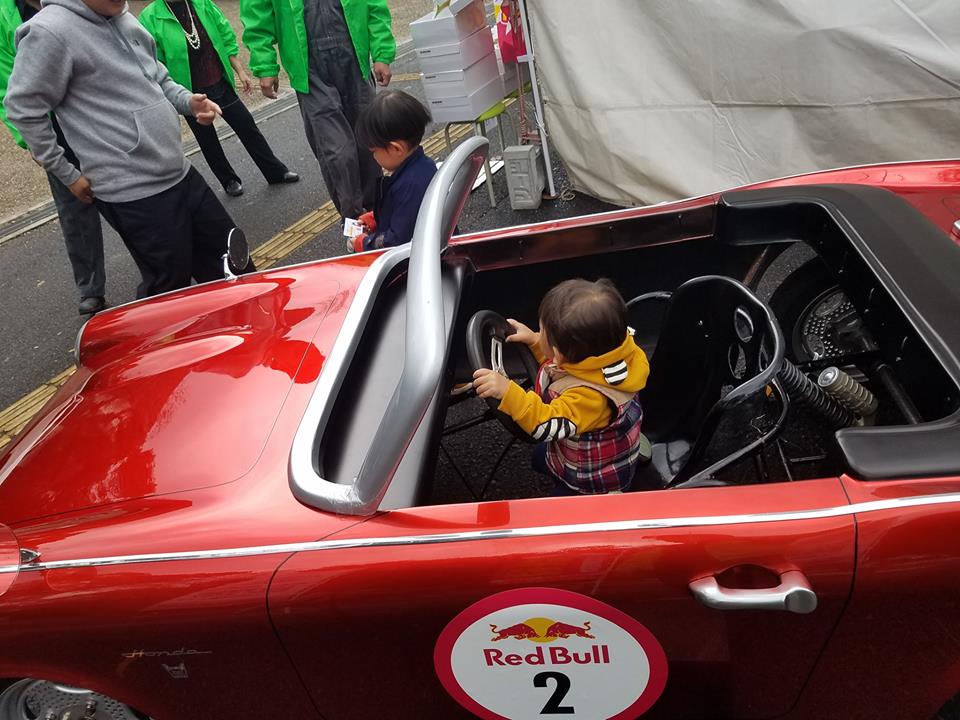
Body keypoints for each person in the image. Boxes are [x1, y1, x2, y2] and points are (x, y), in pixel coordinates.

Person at [4, 0, 246, 300]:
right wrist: (67, 173)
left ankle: (244, 328)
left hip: (179, 171)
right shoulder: (48, 31)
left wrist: (188, 102)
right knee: (170, 292)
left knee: (234, 268)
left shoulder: (123, 17)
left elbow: (159, 78)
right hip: (132, 193)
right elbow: (23, 109)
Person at [473, 279, 651, 495]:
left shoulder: (590, 398)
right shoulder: (608, 353)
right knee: (540, 457)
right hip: (585, 443)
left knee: (557, 504)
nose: (538, 333)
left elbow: (546, 425)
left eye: (541, 331)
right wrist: (535, 342)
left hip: (591, 478)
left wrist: (509, 392)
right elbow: (561, 368)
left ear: (558, 353)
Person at [241, 0, 395, 222]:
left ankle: (375, 213)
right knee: (337, 151)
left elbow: (375, 6)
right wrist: (265, 65)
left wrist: (382, 53)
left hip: (354, 60)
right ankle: (354, 221)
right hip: (310, 71)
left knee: (369, 143)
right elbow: (257, 17)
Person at [0, 0, 106, 315]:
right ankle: (91, 288)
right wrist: (31, 141)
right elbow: (6, 86)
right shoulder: (5, 16)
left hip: (98, 118)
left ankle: (161, 271)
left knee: (130, 198)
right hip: (53, 131)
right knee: (74, 211)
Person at [139, 0, 299, 198]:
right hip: (189, 92)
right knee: (207, 140)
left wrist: (240, 71)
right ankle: (229, 180)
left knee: (246, 126)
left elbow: (225, 35)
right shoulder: (150, 17)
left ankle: (275, 171)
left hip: (219, 81)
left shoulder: (202, 4)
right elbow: (156, 63)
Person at [348, 90, 435, 253]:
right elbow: (406, 214)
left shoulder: (409, 185)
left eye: (374, 151)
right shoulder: (424, 166)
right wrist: (375, 217)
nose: (373, 157)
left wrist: (364, 243)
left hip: (416, 259)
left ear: (396, 149)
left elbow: (396, 241)